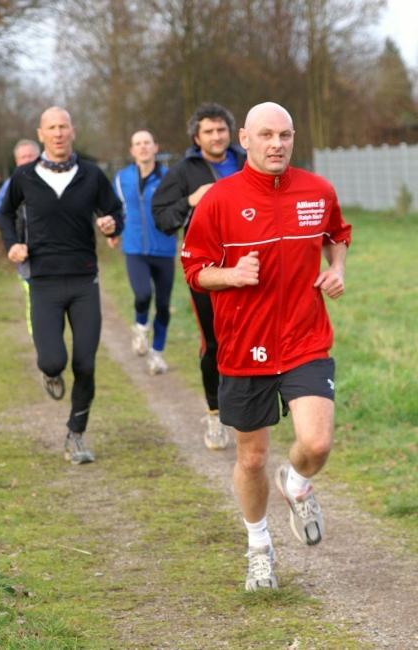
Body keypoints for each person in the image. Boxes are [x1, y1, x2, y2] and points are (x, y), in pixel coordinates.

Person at [181, 102, 352, 591]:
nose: (277, 144)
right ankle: (259, 545)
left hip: (304, 338)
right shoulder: (220, 200)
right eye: (266, 136)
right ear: (245, 140)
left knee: (316, 443)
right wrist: (231, 274)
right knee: (252, 459)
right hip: (244, 346)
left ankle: (296, 483)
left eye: (285, 135)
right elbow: (194, 269)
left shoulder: (317, 191)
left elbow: (336, 234)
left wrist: (336, 269)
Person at [0, 106, 123, 465]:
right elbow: (5, 213)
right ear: (41, 134)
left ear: (72, 131)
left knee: (85, 363)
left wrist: (113, 225)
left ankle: (76, 434)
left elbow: (114, 210)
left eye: (63, 127)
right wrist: (12, 244)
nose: (58, 133)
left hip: (84, 278)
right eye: (51, 128)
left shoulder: (91, 175)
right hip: (43, 281)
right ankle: (50, 372)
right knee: (53, 359)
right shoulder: (24, 176)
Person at [152, 102, 246, 450]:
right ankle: (215, 414)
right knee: (215, 342)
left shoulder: (248, 162)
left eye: (221, 129)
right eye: (209, 131)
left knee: (253, 336)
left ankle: (250, 409)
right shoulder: (183, 171)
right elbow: (161, 217)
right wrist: (192, 199)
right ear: (197, 136)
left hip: (252, 263)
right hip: (207, 267)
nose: (217, 136)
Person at [111, 130, 176, 375]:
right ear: (132, 150)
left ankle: (157, 355)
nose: (143, 147)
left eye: (147, 143)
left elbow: (180, 208)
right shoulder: (121, 178)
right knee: (142, 294)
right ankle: (140, 326)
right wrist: (113, 232)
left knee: (162, 304)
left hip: (164, 248)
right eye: (137, 143)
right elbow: (114, 210)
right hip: (134, 247)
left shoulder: (169, 177)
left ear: (155, 147)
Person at [0, 139, 41, 336]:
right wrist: (13, 244)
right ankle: (38, 337)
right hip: (25, 253)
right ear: (16, 161)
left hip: (53, 252)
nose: (27, 160)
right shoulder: (8, 188)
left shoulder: (51, 182)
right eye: (23, 157)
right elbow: (1, 215)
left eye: (31, 156)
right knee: (34, 295)